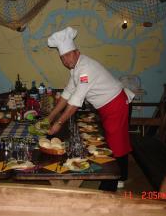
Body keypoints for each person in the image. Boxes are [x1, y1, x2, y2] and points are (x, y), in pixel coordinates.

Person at [46, 27, 135, 190]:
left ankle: (111, 184)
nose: (65, 61)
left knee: (116, 144)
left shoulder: (85, 69)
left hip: (116, 104)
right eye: (62, 58)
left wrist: (58, 122)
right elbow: (67, 93)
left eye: (68, 55)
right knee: (115, 141)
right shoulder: (76, 69)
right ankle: (121, 175)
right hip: (107, 107)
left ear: (76, 52)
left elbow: (76, 100)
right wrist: (50, 117)